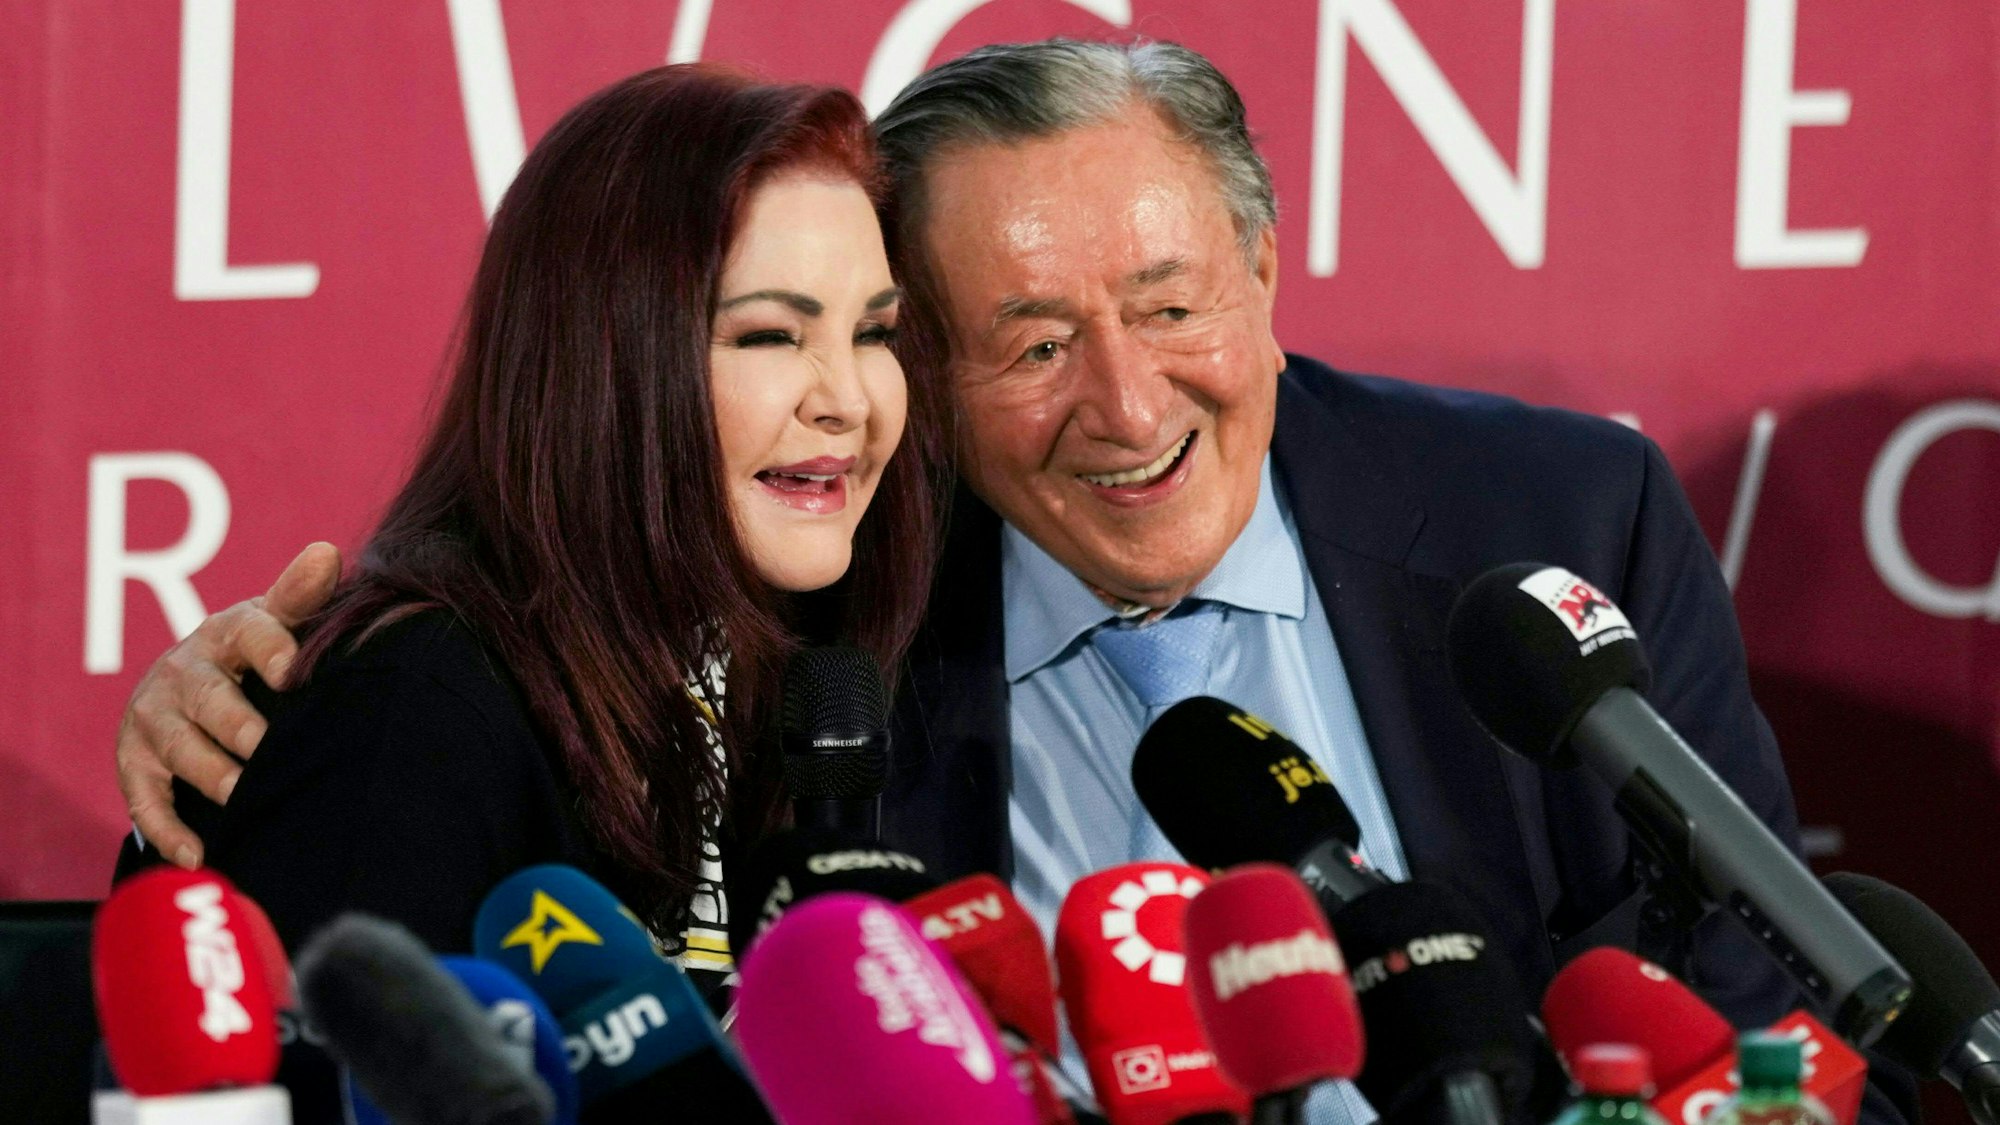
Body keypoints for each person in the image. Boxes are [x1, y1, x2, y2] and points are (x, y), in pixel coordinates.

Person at [114, 40, 1911, 1123]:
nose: (1124, 407)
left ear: (1270, 273)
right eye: (1027, 339)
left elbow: (1736, 982)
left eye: (1172, 305)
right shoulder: (823, 607)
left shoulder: (1556, 514)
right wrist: (251, 697)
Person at [112, 64, 948, 981]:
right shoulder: (414, 705)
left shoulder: (811, 671)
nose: (848, 400)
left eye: (874, 334)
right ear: (607, 360)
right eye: (769, 336)